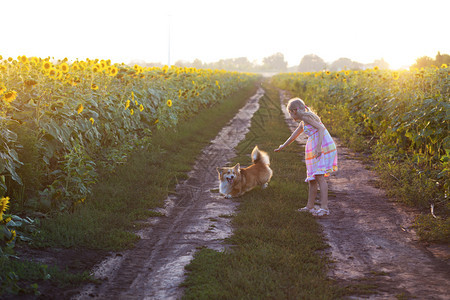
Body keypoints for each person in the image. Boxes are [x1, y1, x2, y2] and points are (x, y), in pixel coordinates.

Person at [274, 97, 337, 217]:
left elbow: (321, 128)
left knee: (319, 177)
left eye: (290, 113)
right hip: (313, 148)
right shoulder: (303, 121)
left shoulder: (306, 117)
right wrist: (283, 146)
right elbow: (294, 136)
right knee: (312, 179)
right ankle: (310, 207)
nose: (291, 116)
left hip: (321, 146)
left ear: (294, 111)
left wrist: (318, 148)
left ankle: (324, 208)